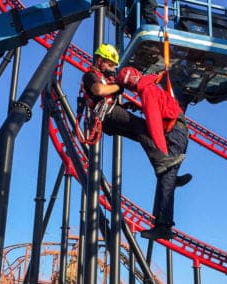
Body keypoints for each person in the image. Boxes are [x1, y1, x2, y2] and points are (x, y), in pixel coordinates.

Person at [79, 43, 185, 177]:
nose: (112, 69)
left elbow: (107, 99)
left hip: (107, 117)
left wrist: (127, 106)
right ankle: (162, 163)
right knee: (141, 126)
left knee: (143, 135)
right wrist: (119, 86)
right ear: (100, 61)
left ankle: (165, 171)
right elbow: (99, 90)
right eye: (110, 65)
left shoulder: (105, 78)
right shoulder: (90, 75)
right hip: (106, 114)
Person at [117, 66, 191, 240]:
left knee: (165, 171)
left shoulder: (147, 91)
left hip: (172, 133)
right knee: (166, 175)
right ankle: (173, 180)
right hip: (178, 130)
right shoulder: (150, 84)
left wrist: (161, 152)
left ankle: (163, 227)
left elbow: (154, 122)